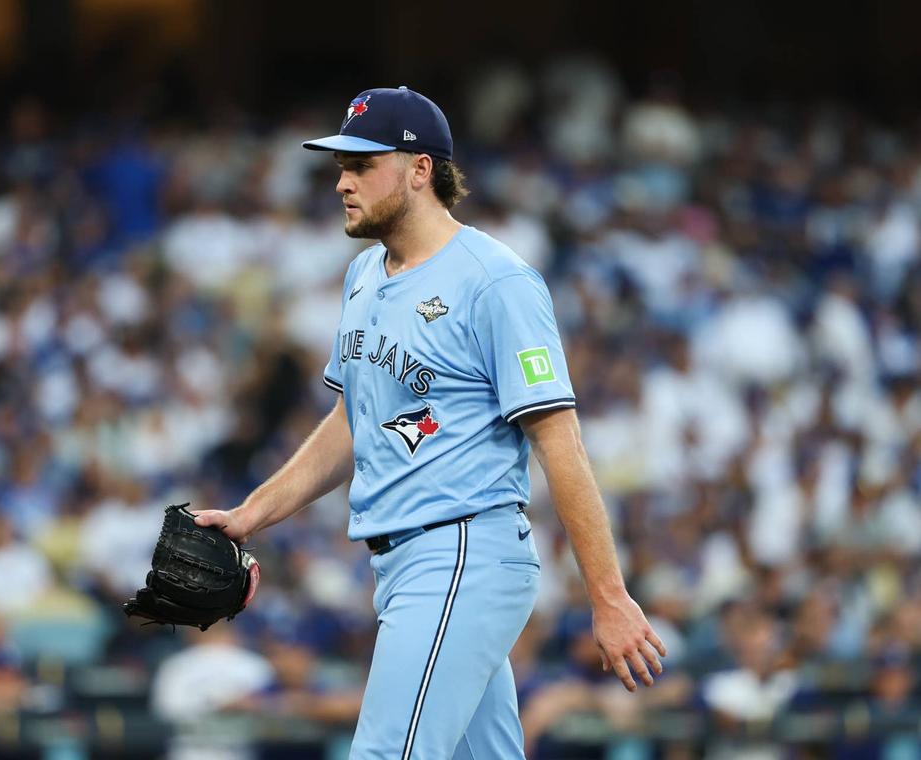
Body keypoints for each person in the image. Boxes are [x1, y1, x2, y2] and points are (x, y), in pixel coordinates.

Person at [194, 86, 666, 760]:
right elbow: (352, 422)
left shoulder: (495, 280)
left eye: (362, 165)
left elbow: (559, 442)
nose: (342, 182)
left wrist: (608, 595)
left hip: (462, 553)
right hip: (406, 566)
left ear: (420, 170)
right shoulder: (362, 275)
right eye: (341, 166)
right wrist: (252, 513)